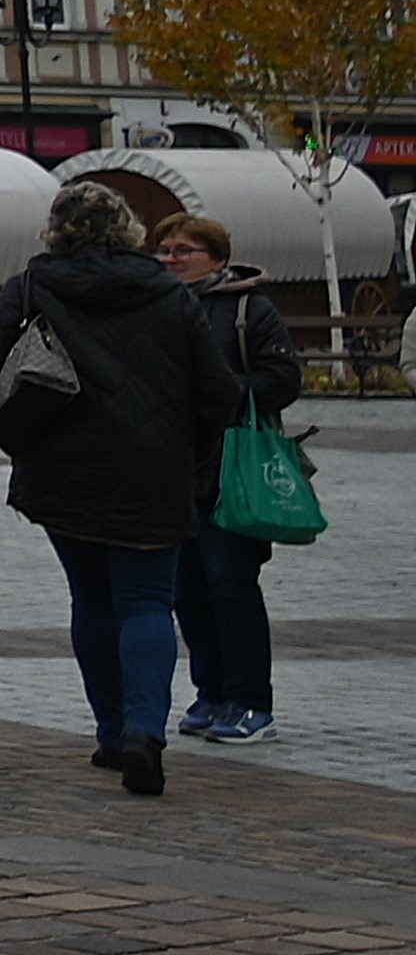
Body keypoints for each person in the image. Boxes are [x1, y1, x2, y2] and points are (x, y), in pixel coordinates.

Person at [0, 177, 245, 799]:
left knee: (92, 601)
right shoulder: (169, 294)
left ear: (55, 230)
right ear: (129, 230)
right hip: (154, 473)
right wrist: (190, 450)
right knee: (146, 604)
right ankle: (146, 731)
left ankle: (113, 731)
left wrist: (21, 436)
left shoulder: (31, 286)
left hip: (61, 471)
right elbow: (219, 389)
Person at [157, 213, 304, 744]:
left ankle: (250, 701)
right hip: (173, 471)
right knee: (187, 590)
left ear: (217, 258)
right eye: (165, 250)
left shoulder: (248, 309)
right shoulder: (156, 307)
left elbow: (282, 378)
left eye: (184, 250)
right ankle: (212, 692)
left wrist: (218, 392)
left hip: (232, 468)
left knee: (230, 584)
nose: (172, 259)